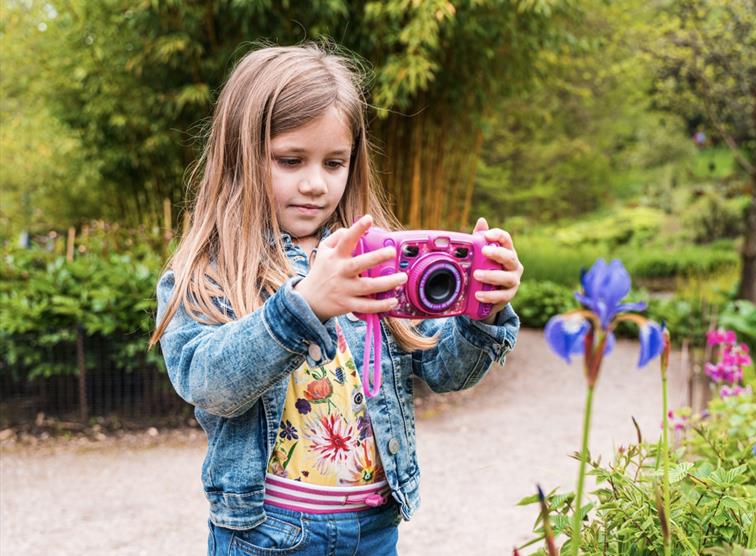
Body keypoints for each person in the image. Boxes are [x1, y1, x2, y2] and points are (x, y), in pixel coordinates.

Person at [149, 43, 523, 556]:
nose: (314, 184)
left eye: (334, 162)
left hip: (373, 530)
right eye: (290, 159)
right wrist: (301, 309)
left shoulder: (378, 260)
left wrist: (485, 311)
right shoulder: (209, 272)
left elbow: (443, 369)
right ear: (241, 156)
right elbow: (207, 383)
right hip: (266, 534)